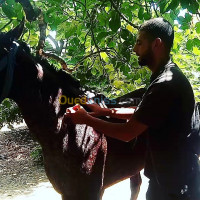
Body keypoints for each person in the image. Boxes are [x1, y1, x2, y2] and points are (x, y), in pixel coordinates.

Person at [65, 18, 200, 200]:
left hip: (177, 183)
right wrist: (106, 112)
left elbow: (128, 132)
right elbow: (143, 113)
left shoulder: (166, 85)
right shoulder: (166, 75)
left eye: (139, 42)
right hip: (166, 177)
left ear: (156, 44)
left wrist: (86, 119)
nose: (135, 49)